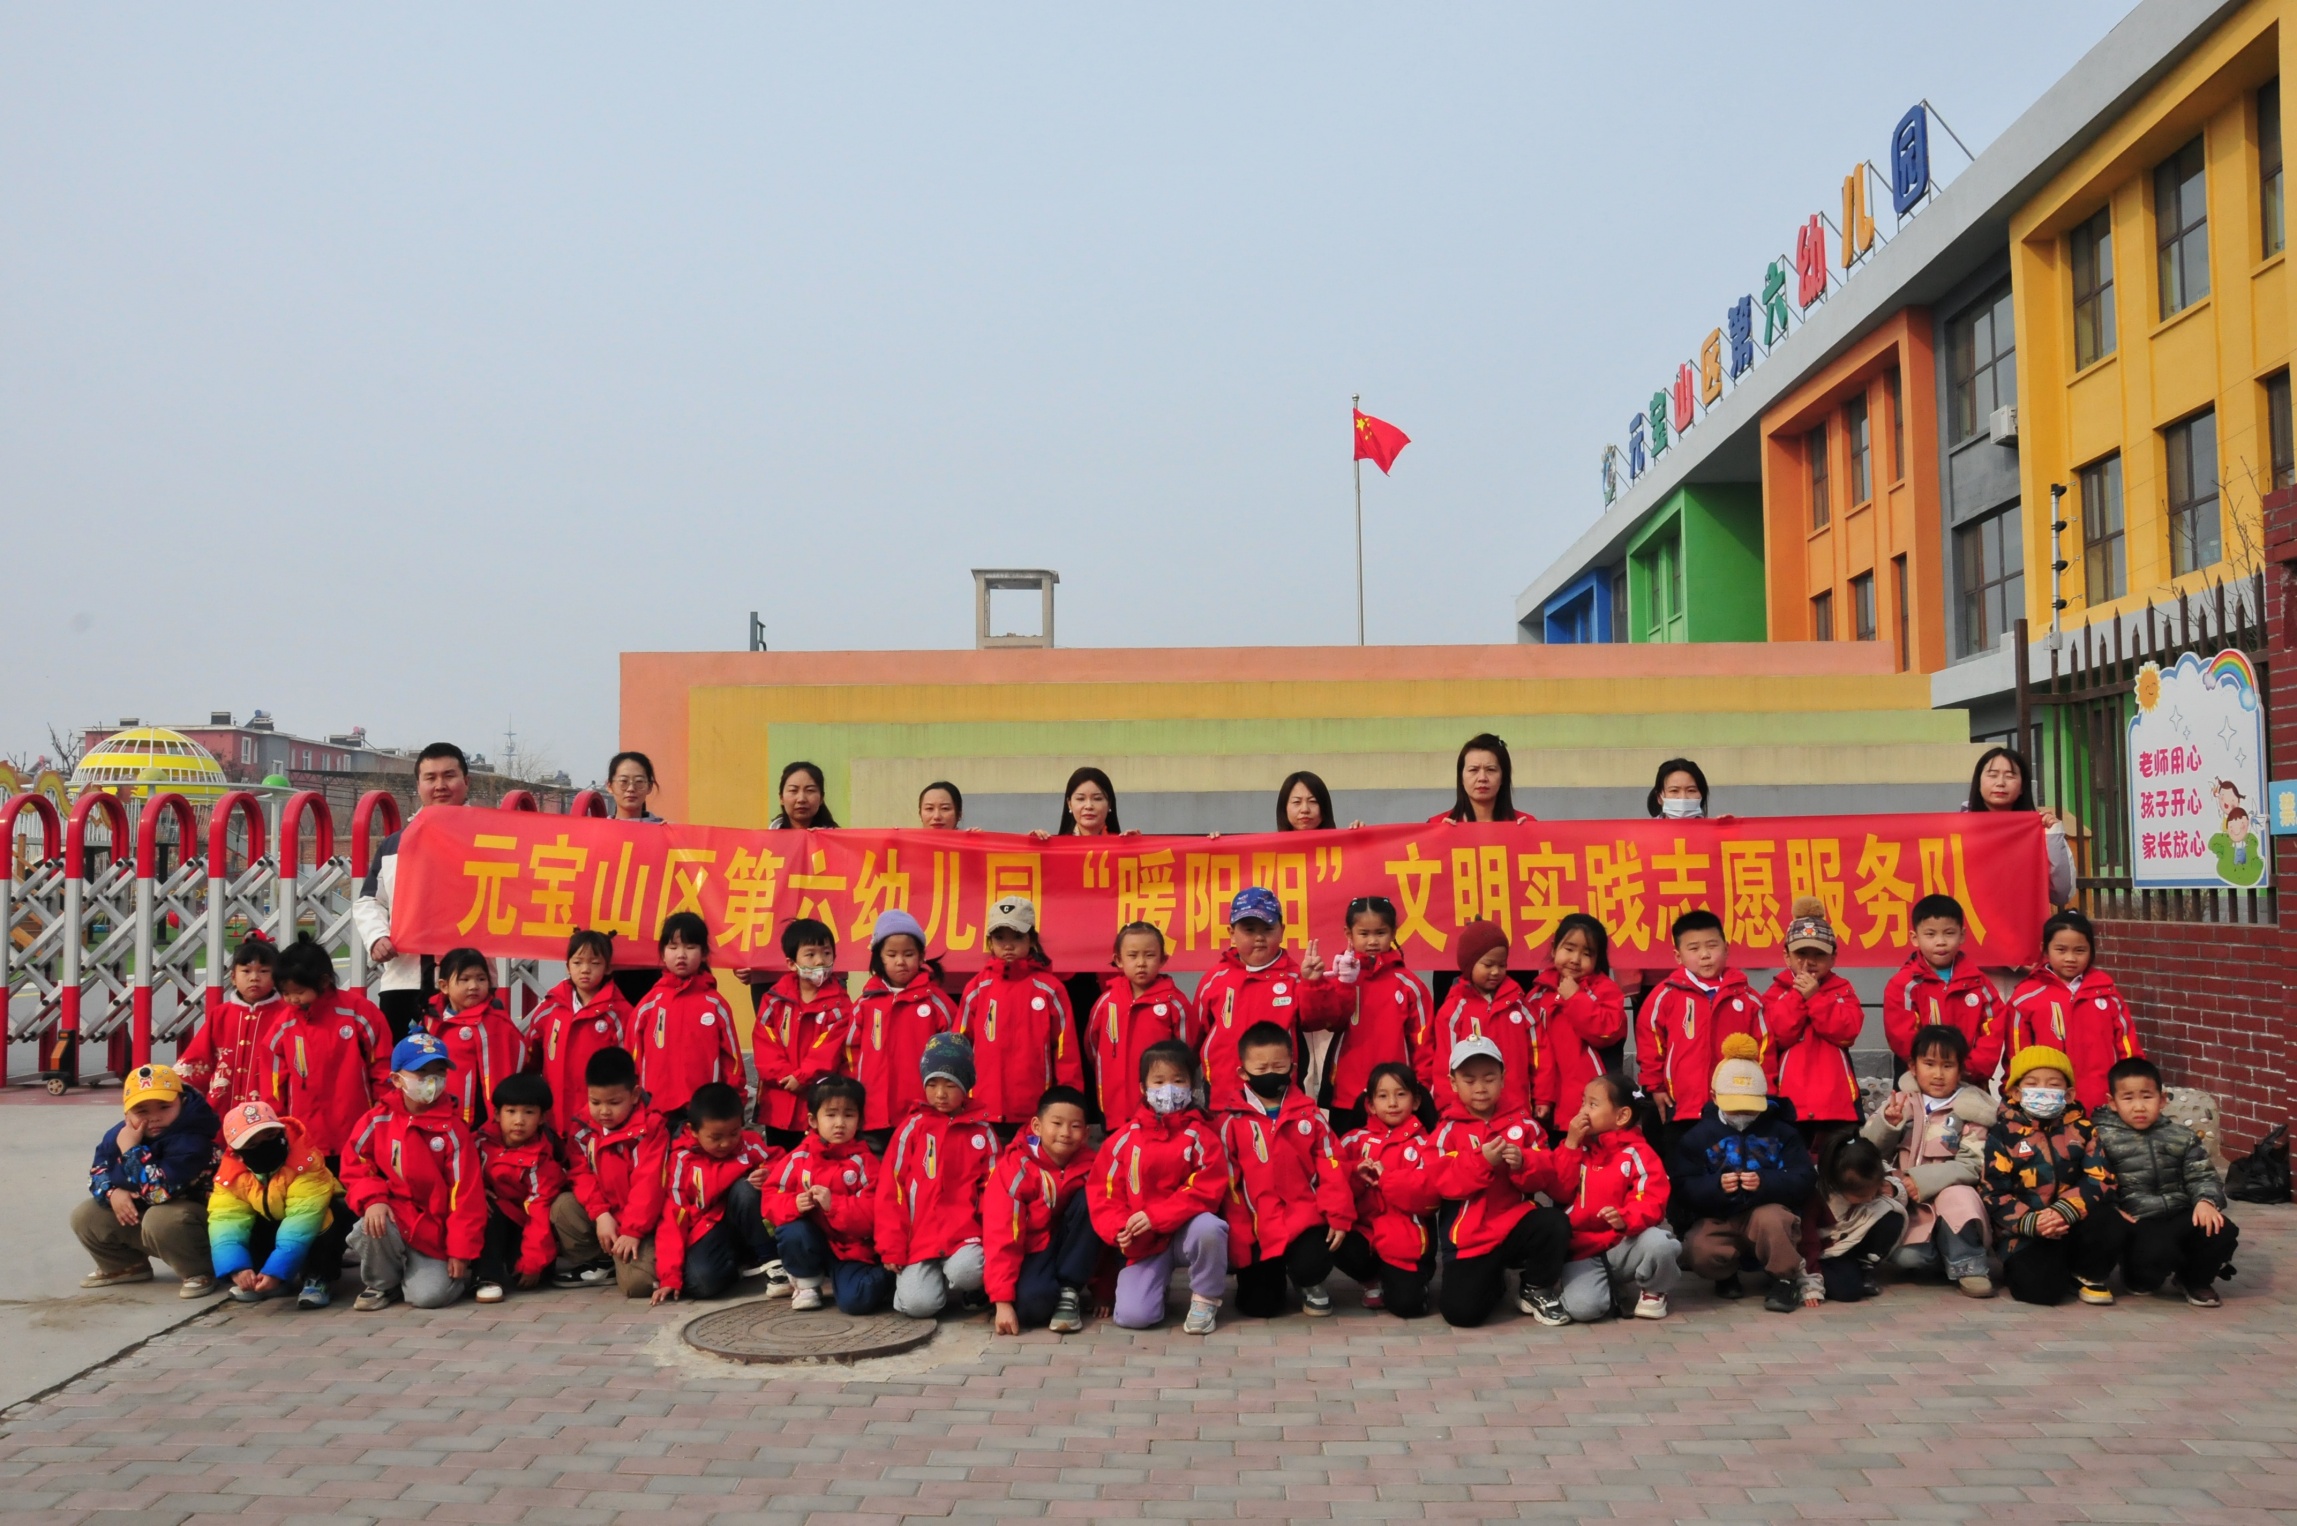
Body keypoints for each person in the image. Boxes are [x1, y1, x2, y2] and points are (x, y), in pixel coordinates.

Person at [1088, 1040, 1232, 1335]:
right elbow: (1103, 1193)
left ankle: (1205, 1297)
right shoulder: (1122, 1139)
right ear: (1143, 1088)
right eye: (1159, 1081)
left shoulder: (1202, 1136)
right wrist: (1119, 1229)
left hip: (1185, 1232)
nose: (1169, 1089)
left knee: (1211, 1229)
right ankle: (1156, 1287)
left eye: (1178, 1080)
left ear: (1192, 1084)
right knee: (1133, 1317)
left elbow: (1206, 1189)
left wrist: (1155, 1216)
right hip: (1145, 1241)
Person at [1430, 1036, 1572, 1328]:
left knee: (1554, 1222)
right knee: (1461, 1314)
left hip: (1514, 1223)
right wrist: (1481, 1162)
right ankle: (1494, 1282)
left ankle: (1536, 1288)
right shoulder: (1446, 1130)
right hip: (1470, 1237)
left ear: (1503, 1078)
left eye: (1489, 1078)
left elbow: (1547, 1173)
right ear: (1453, 1083)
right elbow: (1441, 1183)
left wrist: (1524, 1163)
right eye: (1469, 1080)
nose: (1480, 1088)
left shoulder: (1525, 1124)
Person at [1670, 1033, 1816, 1314]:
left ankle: (1784, 1278)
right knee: (1700, 1247)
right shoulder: (1698, 1137)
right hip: (1718, 1215)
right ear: (1714, 1097)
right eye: (1735, 1106)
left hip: (1764, 1212)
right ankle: (1725, 1276)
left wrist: (1766, 1182)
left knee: (1774, 1219)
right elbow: (1682, 1185)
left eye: (1750, 1107)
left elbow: (1804, 1177)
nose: (1742, 1114)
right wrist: (1715, 1187)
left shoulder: (1783, 1132)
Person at [342, 1033, 486, 1311]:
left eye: (439, 1072)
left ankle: (437, 1275)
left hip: (435, 1233)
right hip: (395, 1217)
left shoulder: (454, 1130)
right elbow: (356, 1164)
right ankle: (383, 1284)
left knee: (428, 1298)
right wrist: (374, 1199)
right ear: (397, 1079)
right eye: (421, 1072)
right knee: (369, 1225)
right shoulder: (377, 1119)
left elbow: (466, 1196)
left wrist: (460, 1251)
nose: (432, 1081)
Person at [1223, 1024, 1355, 1319]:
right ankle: (1269, 1277)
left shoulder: (1311, 1116)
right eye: (1261, 1067)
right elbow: (1230, 1183)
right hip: (1257, 1225)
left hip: (1303, 1219)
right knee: (1261, 1308)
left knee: (1313, 1260)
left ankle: (1308, 1281)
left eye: (1279, 1065)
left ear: (1292, 1068)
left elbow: (1333, 1166)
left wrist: (1339, 1215)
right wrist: (1240, 1233)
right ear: (1243, 1073)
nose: (1270, 1072)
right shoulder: (1230, 1121)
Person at [1860, 1024, 1997, 1298]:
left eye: (1947, 1065)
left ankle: (1969, 1265)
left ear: (1960, 1070)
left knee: (1958, 1196)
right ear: (1912, 1066)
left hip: (1950, 1199)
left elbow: (1972, 1164)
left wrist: (1919, 1180)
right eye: (1929, 1064)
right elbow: (1868, 1150)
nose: (1937, 1074)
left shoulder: (1971, 1108)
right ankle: (1941, 1255)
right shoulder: (1902, 1102)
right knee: (1909, 1259)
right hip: (1910, 1204)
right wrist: (1889, 1125)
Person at [1984, 1044, 2125, 1307]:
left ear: (2069, 1093)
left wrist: (2063, 1211)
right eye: (2033, 1083)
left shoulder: (2083, 1129)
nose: (2043, 1090)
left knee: (2111, 1221)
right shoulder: (2002, 1134)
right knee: (2040, 1292)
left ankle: (2087, 1274)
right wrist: (2033, 1222)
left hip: (2074, 1221)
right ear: (2016, 1091)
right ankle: (2053, 1270)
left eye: (2053, 1084)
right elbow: (1993, 1192)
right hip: (2026, 1232)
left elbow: (2100, 1178)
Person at [351, 741, 472, 1040]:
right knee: (403, 1076)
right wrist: (377, 936)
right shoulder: (395, 846)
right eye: (431, 778)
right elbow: (368, 900)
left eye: (449, 776)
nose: (440, 785)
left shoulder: (494, 842)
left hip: (471, 983)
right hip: (404, 982)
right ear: (418, 785)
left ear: (466, 782)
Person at [1192, 886, 1349, 1114]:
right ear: (1231, 932)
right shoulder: (1214, 979)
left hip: (1278, 1098)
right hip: (1221, 1098)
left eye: (1267, 929)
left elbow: (1319, 1021)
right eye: (1249, 929)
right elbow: (1195, 1037)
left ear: (1282, 930)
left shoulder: (1297, 976)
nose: (1259, 937)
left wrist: (1313, 984)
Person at [2094, 1058, 2236, 1307]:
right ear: (2112, 1102)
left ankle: (2194, 1280)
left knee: (2221, 1230)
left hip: (2179, 1211)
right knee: (2155, 1258)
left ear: (2161, 1100)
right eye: (2128, 1098)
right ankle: (2136, 1274)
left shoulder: (2181, 1136)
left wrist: (2205, 1201)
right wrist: (2112, 1209)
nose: (2139, 1106)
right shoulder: (2101, 1137)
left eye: (2147, 1097)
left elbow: (2202, 1175)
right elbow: (2095, 1179)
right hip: (2137, 1217)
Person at [73, 1063, 221, 1298]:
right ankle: (126, 1266)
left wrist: (131, 1150)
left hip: (198, 1224)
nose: (154, 1117)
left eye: (164, 1107)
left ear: (181, 1103)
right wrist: (112, 1193)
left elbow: (158, 1193)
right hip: (151, 1216)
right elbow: (98, 1171)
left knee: (162, 1218)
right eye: (141, 1111)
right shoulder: (120, 1134)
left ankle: (199, 1270)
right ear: (126, 1114)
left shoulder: (193, 1141)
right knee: (87, 1214)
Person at [879, 1034, 999, 1318]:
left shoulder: (983, 1133)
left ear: (966, 1087)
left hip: (965, 1237)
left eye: (950, 1085)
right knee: (920, 1306)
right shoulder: (912, 1129)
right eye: (932, 1084)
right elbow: (891, 1189)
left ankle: (972, 1287)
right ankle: (922, 1285)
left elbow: (993, 1192)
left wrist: (986, 1237)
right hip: (918, 1240)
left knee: (969, 1271)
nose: (940, 1094)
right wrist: (891, 1247)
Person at [1637, 909, 1765, 1159]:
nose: (1705, 955)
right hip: (1681, 1106)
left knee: (1727, 1171)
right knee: (1682, 1170)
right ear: (1678, 955)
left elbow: (1764, 1048)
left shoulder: (1747, 998)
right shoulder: (1666, 995)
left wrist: (1763, 1093)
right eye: (1693, 949)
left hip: (1734, 1106)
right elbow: (1650, 1040)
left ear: (1726, 948)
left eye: (1712, 946)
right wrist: (1655, 1086)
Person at [761, 1075, 894, 1315]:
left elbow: (874, 1216)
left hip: (852, 1249)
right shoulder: (797, 1158)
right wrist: (794, 1204)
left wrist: (835, 1205)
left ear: (860, 1120)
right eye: (830, 1115)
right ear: (813, 1120)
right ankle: (807, 1284)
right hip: (812, 1244)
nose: (840, 1123)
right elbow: (770, 1197)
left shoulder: (865, 1163)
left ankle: (891, 1276)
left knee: (856, 1301)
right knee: (792, 1230)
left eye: (849, 1115)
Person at [1552, 1074, 1678, 1322]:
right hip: (1583, 1249)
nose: (1583, 1111)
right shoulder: (1576, 1146)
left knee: (1660, 1243)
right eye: (1583, 1103)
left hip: (1624, 1243)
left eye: (1593, 1104)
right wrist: (1570, 1144)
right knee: (1584, 1310)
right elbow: (1558, 1190)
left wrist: (1625, 1218)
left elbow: (1653, 1200)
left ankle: (1654, 1289)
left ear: (1622, 1116)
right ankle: (1606, 1287)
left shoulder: (1639, 1153)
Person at [984, 1084, 1106, 1334]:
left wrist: (1104, 1290)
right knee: (1032, 1309)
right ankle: (1051, 1291)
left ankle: (1070, 1290)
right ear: (1037, 1126)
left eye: (1075, 1126)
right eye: (1057, 1123)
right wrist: (1002, 1302)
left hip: (1074, 1247)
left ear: (1085, 1133)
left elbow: (1106, 1231)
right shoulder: (1014, 1168)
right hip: (1033, 1248)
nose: (1065, 1133)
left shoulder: (1094, 1167)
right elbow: (1002, 1235)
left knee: (1091, 1199)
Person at [207, 1099, 349, 1310]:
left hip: (309, 1222)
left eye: (271, 1135)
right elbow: (225, 1220)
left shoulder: (307, 1163)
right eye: (252, 1144)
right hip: (274, 1222)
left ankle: (318, 1278)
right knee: (246, 1224)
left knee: (330, 1216)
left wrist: (277, 1270)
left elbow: (301, 1222)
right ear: (237, 1152)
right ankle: (263, 1280)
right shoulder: (230, 1175)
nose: (264, 1145)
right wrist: (237, 1267)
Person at [958, 896, 1085, 1130]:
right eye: (999, 937)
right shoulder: (976, 989)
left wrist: (1069, 1101)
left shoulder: (1050, 989)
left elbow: (1066, 1052)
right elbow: (959, 1047)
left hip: (1035, 1111)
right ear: (989, 941)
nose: (1008, 945)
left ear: (1032, 939)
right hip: (982, 1108)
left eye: (1017, 936)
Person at [267, 934, 392, 1170]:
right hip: (305, 1133)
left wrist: (384, 1108)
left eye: (299, 991)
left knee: (357, 1188)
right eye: (285, 993)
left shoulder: (359, 1012)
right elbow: (274, 1082)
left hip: (357, 1126)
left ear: (324, 982)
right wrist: (275, 1123)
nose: (292, 999)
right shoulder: (283, 1026)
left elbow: (382, 1063)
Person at [650, 1082, 781, 1305]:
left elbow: (782, 1163)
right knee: (700, 1283)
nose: (726, 1143)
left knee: (745, 1190)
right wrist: (669, 1277)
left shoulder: (749, 1145)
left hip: (744, 1218)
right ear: (693, 1131)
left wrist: (769, 1173)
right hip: (707, 1228)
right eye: (716, 1137)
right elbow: (674, 1216)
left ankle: (772, 1262)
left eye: (733, 1133)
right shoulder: (682, 1161)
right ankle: (738, 1266)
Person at [552, 1046, 668, 1298]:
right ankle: (601, 1262)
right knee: (563, 1207)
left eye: (614, 1103)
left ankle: (629, 1261)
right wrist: (601, 1213)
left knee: (638, 1285)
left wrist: (633, 1231)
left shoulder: (651, 1128)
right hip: (607, 1215)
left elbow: (649, 1185)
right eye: (595, 1102)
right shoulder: (582, 1126)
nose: (603, 1111)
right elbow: (581, 1174)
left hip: (642, 1222)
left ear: (635, 1094)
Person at [1331, 1063, 1441, 1318]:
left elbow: (1430, 1195)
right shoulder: (1352, 1140)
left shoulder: (1429, 1144)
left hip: (1406, 1241)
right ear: (1370, 1104)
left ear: (1415, 1101)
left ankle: (1413, 1283)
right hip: (1364, 1233)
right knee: (1324, 1235)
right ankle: (1371, 1281)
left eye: (1401, 1094)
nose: (1392, 1102)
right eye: (1383, 1096)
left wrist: (1388, 1179)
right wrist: (1356, 1177)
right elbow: (1332, 1183)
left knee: (1407, 1307)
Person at [1320, 896, 1434, 1138]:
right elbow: (1322, 1020)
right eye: (1364, 933)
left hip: (1395, 1100)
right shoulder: (1339, 977)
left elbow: (1424, 1044)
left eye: (1380, 932)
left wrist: (1419, 1090)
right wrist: (1319, 983)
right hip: (1347, 1096)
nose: (1372, 941)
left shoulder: (1409, 985)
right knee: (1348, 1165)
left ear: (1393, 932)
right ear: (1348, 933)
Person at [2008, 910, 2142, 1112]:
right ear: (2045, 949)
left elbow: (2128, 1047)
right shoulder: (2026, 996)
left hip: (2103, 1100)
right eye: (2061, 950)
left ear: (2092, 951)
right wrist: (2014, 1093)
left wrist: (2134, 1088)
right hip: (2048, 1102)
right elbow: (2016, 1055)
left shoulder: (2107, 994)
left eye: (2079, 951)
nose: (2070, 958)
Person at [845, 908, 958, 1144]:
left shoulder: (937, 1003)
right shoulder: (865, 1003)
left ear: (921, 956)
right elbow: (850, 1052)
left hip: (923, 1113)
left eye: (908, 954)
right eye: (891, 954)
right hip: (874, 1114)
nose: (900, 961)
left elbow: (954, 1055)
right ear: (879, 958)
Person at [1423, 919, 1548, 1123]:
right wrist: (1448, 1106)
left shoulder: (1519, 1005)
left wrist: (1543, 1097)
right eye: (1488, 965)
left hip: (1517, 1111)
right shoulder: (1453, 1010)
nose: (1495, 971)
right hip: (1468, 1115)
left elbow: (1540, 1053)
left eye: (1502, 965)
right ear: (1468, 965)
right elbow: (1445, 1063)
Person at [1763, 897, 1864, 1143]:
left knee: (1839, 1166)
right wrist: (1798, 995)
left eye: (1818, 954)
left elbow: (1847, 1032)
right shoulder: (1776, 992)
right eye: (1801, 953)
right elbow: (1779, 1033)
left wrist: (1816, 998)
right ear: (1786, 956)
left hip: (1836, 1102)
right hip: (1792, 1101)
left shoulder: (1842, 989)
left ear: (1833, 958)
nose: (1809, 962)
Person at [633, 910, 747, 1124]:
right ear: (662, 952)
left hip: (704, 1112)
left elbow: (732, 1061)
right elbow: (633, 1056)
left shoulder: (716, 1005)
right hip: (655, 1112)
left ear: (704, 953)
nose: (681, 954)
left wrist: (735, 1103)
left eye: (690, 947)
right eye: (673, 947)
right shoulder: (648, 1005)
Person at [1882, 894, 2007, 1085]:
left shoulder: (1978, 983)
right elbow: (1901, 1035)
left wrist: (1969, 1068)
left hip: (1969, 1077)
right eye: (1930, 934)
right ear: (1914, 938)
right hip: (1919, 1079)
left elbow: (1994, 1028)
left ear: (1962, 935)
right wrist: (1930, 1067)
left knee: (1976, 1114)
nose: (1940, 942)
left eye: (1949, 933)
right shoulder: (1903, 984)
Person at [752, 918, 852, 1148]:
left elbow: (832, 1048)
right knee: (779, 1163)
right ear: (791, 963)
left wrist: (803, 1076)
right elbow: (764, 1041)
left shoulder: (841, 1006)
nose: (820, 960)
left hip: (819, 1100)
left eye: (826, 953)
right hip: (778, 1100)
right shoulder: (774, 999)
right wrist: (784, 1076)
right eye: (810, 954)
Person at [471, 1072, 566, 1304]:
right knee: (485, 1208)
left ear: (542, 1118)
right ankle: (488, 1277)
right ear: (496, 1114)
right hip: (493, 1218)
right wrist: (475, 1192)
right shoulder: (477, 1143)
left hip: (525, 1223)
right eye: (511, 1111)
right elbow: (457, 1177)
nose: (519, 1120)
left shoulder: (543, 1159)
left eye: (529, 1112)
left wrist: (533, 1263)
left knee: (531, 1276)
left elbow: (539, 1210)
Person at [530, 928, 634, 1140]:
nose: (585, 970)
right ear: (567, 966)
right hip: (555, 1117)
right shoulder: (550, 1008)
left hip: (600, 1120)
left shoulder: (620, 1013)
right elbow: (529, 1058)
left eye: (594, 963)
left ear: (607, 968)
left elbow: (632, 1065)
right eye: (577, 963)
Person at [1525, 914, 1627, 1119]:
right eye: (1569, 949)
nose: (1575, 959)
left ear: (1598, 959)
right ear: (1554, 949)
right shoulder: (1538, 993)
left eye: (1587, 953)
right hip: (1547, 1100)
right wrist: (1540, 1096)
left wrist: (1575, 998)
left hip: (1590, 1102)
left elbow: (1609, 1031)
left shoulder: (1605, 990)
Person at [1086, 922, 1187, 1128]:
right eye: (1133, 956)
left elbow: (1188, 1051)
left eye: (1149, 955)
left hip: (1161, 1112)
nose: (1141, 963)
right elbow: (1092, 1046)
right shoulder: (1106, 1003)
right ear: (1118, 960)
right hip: (1115, 1111)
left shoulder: (1174, 1003)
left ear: (1163, 960)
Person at [424, 947, 530, 1132]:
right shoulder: (429, 1020)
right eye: (464, 979)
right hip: (438, 1113)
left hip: (483, 1115)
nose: (474, 986)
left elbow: (517, 1061)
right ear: (444, 986)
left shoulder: (496, 1022)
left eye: (481, 979)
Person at [176, 935, 284, 1116]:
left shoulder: (285, 1015)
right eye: (246, 971)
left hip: (269, 1106)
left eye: (264, 971)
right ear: (233, 977)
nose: (254, 978)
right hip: (222, 1105)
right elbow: (198, 1056)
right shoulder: (221, 1014)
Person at [1964, 746, 2076, 909]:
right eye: (1992, 775)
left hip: (2022, 928)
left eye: (2010, 776)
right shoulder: (1958, 830)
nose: (2000, 783)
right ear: (1978, 782)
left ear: (2023, 786)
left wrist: (2052, 835)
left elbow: (2061, 894)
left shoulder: (2040, 830)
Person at [1807, 1134, 1907, 1305]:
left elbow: (1898, 1194)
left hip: (1856, 1238)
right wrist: (1811, 1286)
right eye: (1862, 1196)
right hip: (1828, 1251)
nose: (1869, 1198)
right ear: (1838, 1186)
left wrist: (1894, 1189)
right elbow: (1807, 1244)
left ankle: (1865, 1265)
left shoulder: (1871, 1171)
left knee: (1893, 1214)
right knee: (1849, 1292)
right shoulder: (1817, 1196)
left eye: (1873, 1192)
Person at [1430, 733, 1535, 824]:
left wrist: (1527, 836)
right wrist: (1439, 839)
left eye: (1491, 770)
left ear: (1503, 777)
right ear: (1461, 777)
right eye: (1473, 770)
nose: (1482, 778)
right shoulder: (1436, 825)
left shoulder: (1527, 823)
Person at [1275, 770, 1360, 831]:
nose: (1305, 809)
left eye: (1313, 801)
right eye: (1297, 802)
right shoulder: (1272, 849)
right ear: (1284, 808)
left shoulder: (1340, 846)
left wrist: (1362, 839)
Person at [769, 761, 838, 829]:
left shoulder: (836, 838)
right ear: (781, 798)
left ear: (821, 798)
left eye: (810, 790)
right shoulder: (767, 839)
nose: (801, 799)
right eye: (793, 790)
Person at [605, 751, 664, 822]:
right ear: (609, 786)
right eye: (623, 781)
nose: (631, 789)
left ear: (649, 786)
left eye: (639, 781)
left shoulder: (664, 830)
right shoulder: (598, 830)